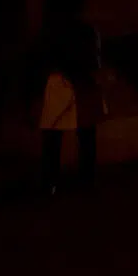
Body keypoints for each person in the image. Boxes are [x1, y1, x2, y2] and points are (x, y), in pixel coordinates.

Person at [37, 20, 102, 195]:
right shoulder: (84, 29)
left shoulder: (52, 30)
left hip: (68, 81)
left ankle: (52, 182)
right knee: (83, 134)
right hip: (74, 81)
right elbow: (94, 57)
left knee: (57, 136)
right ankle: (82, 180)